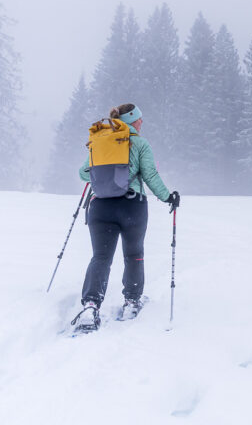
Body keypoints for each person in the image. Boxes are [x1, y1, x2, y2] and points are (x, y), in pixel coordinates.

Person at [71, 103, 180, 331]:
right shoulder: (139, 143)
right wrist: (168, 197)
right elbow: (149, 174)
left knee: (100, 257)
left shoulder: (101, 142)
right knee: (134, 254)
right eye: (140, 119)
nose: (142, 123)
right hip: (132, 207)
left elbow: (83, 172)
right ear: (132, 121)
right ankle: (131, 301)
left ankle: (91, 305)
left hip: (100, 207)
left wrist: (104, 179)